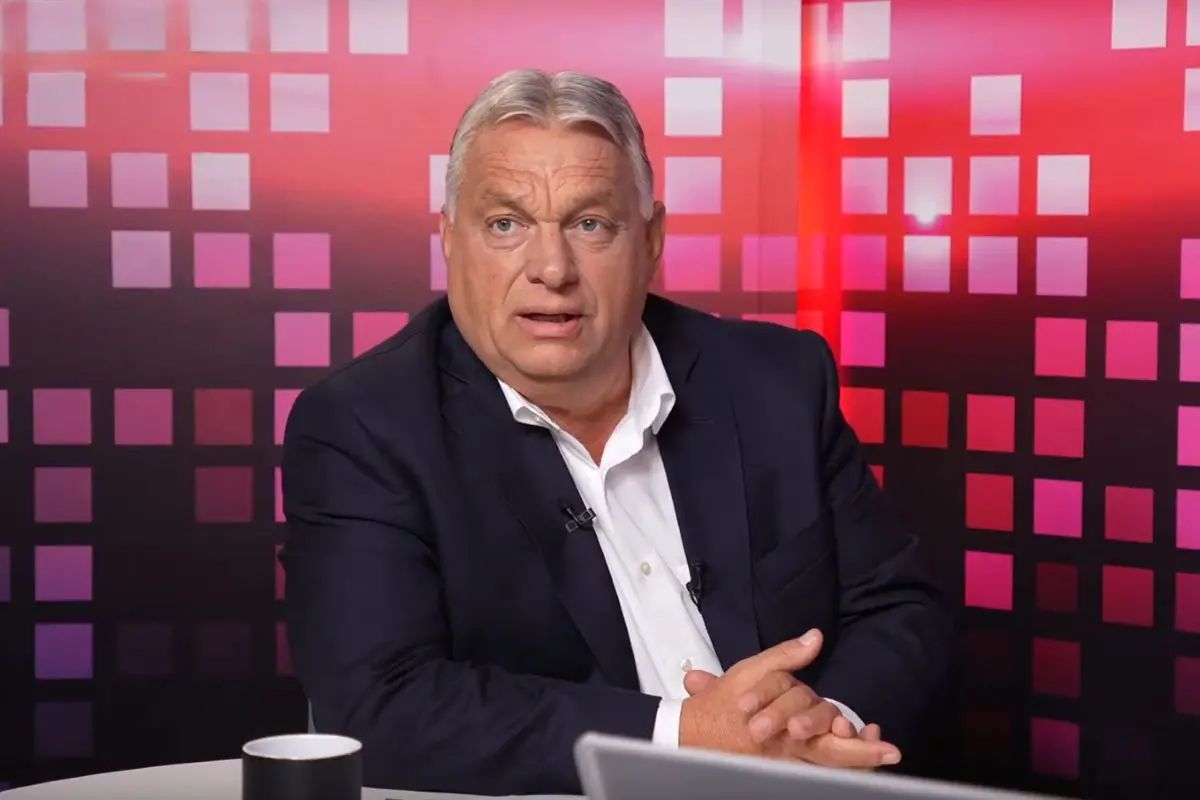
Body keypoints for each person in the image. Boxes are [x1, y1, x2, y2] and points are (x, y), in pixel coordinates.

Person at [280, 68, 955, 796]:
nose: (551, 269)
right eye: (506, 224)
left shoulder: (778, 381)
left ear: (651, 240)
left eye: (590, 224)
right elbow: (384, 707)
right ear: (449, 238)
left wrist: (824, 730)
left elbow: (900, 611)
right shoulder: (364, 427)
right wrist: (687, 736)